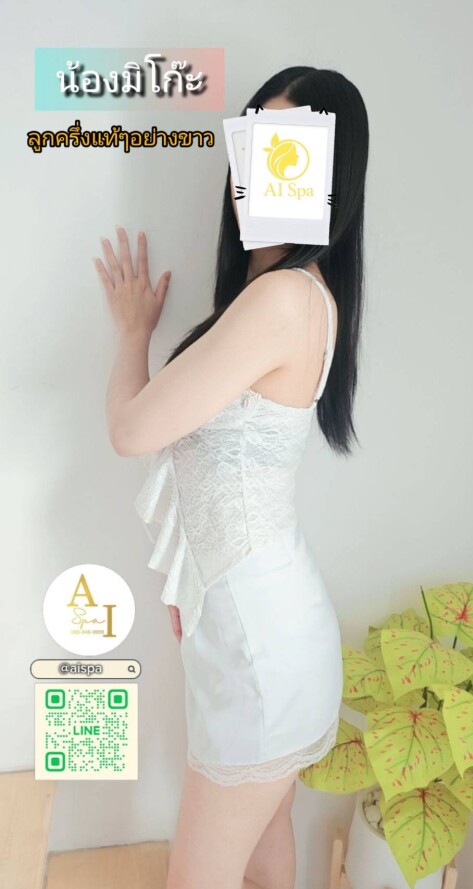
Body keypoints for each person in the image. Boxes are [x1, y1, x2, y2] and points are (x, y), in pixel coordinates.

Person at [93, 66, 369, 889]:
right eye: (255, 144)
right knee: (265, 838)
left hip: (259, 651)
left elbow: (131, 429)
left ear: (328, 174)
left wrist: (132, 335)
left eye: (288, 149)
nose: (262, 169)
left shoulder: (283, 299)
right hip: (258, 631)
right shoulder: (296, 295)